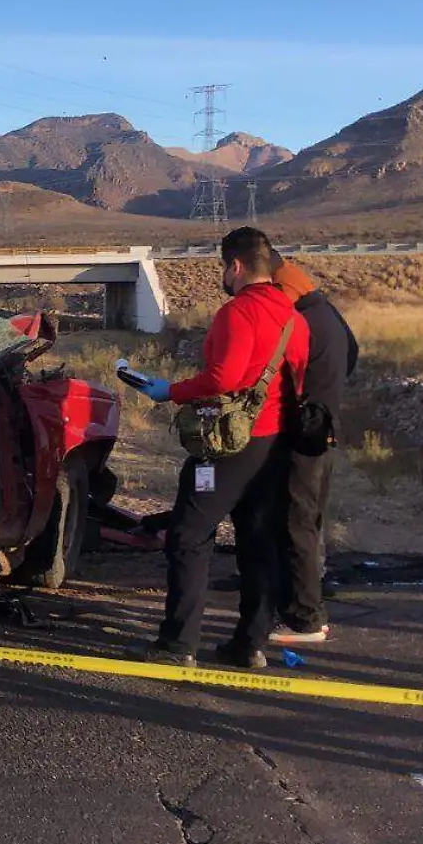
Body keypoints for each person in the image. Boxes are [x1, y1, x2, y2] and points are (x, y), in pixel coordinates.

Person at [128, 227, 310, 669]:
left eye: (223, 268)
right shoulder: (294, 318)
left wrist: (170, 390)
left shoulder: (238, 313)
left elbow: (225, 378)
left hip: (229, 445)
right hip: (275, 445)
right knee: (258, 542)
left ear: (235, 265)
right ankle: (249, 645)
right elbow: (300, 379)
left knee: (189, 536)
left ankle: (178, 643)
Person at [267, 254, 358, 645]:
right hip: (325, 430)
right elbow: (352, 355)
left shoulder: (299, 320)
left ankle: (304, 618)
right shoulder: (329, 314)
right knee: (311, 521)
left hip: (304, 436)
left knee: (296, 523)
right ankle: (310, 598)